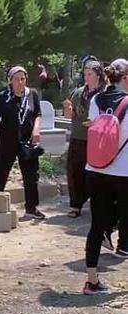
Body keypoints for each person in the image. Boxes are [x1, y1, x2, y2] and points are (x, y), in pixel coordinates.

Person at [82, 58, 128, 294]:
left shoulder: (96, 100)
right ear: (126, 78)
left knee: (96, 226)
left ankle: (91, 281)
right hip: (123, 172)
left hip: (95, 169)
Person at [0, 66, 46, 220]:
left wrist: (36, 129)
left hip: (27, 139)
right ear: (10, 80)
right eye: (16, 79)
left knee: (31, 174)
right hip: (7, 140)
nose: (20, 82)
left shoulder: (32, 94)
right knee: (1, 172)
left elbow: (38, 114)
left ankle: (31, 208)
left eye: (23, 79)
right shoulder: (3, 97)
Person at [63, 60, 106, 218]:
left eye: (90, 74)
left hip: (98, 140)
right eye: (85, 74)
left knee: (96, 174)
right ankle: (76, 205)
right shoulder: (79, 92)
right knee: (75, 172)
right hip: (78, 137)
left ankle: (99, 205)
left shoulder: (105, 94)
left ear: (99, 75)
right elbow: (70, 116)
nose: (87, 78)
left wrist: (96, 123)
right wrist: (68, 109)